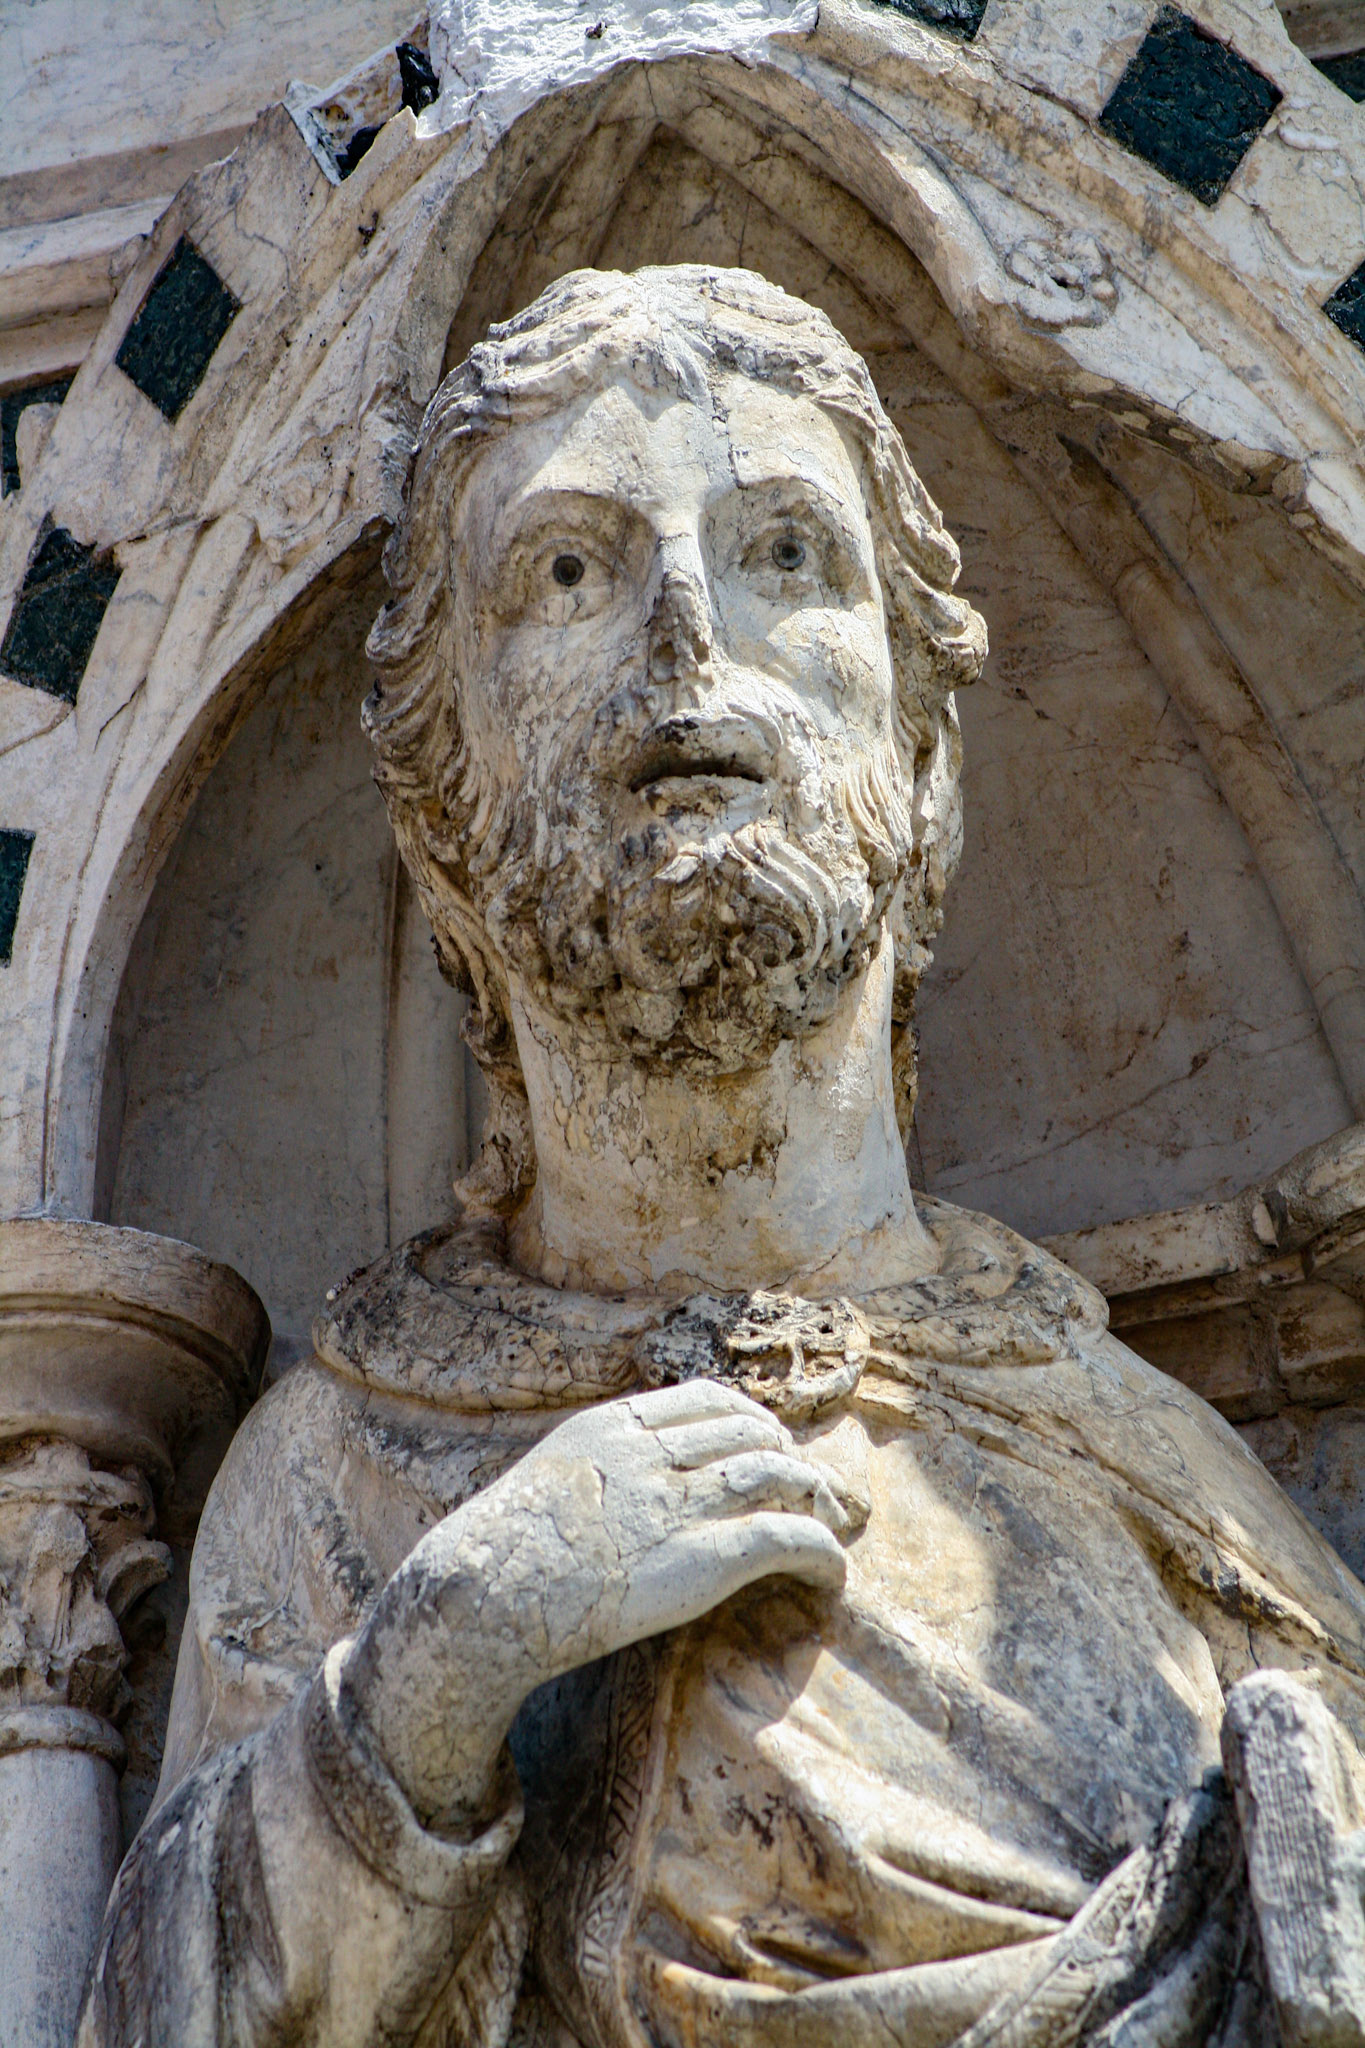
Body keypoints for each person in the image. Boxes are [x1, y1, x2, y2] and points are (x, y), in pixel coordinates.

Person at [80, 266, 1365, 2048]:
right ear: (441, 831)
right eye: (568, 573)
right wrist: (438, 1670)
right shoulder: (342, 1487)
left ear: (929, 779)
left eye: (782, 557)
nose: (689, 631)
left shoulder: (1172, 1494)